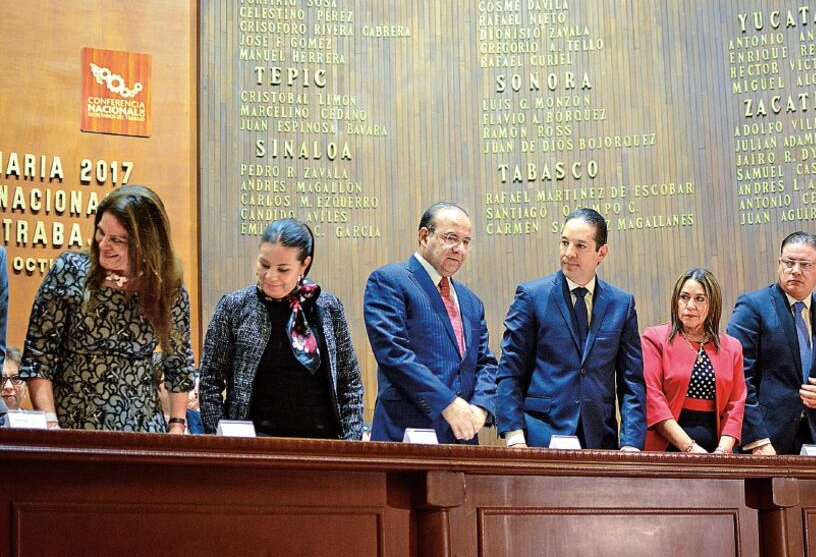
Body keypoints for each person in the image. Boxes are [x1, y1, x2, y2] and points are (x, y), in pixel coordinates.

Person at [21, 185, 195, 432]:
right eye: (101, 233)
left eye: (117, 240)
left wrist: (177, 425)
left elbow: (178, 362)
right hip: (72, 424)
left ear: (145, 244)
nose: (103, 245)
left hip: (141, 429)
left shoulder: (168, 286)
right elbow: (39, 356)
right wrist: (50, 423)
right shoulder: (69, 271)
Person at [496, 208, 646, 450]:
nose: (568, 253)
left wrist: (631, 444)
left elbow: (632, 382)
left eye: (580, 246)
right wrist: (514, 435)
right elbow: (510, 371)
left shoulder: (622, 304)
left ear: (602, 252)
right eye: (564, 242)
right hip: (539, 437)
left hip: (599, 440)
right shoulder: (532, 296)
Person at [200, 218, 364, 439]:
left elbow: (349, 384)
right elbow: (210, 381)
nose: (270, 276)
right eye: (264, 265)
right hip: (251, 446)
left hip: (321, 445)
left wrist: (350, 443)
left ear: (304, 264)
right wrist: (222, 440)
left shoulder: (328, 308)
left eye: (283, 269)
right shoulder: (234, 307)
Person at [364, 202, 497, 444]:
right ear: (424, 236)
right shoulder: (389, 281)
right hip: (406, 431)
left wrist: (481, 407)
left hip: (462, 436)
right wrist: (446, 402)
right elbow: (393, 353)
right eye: (451, 238)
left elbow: (485, 362)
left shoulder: (471, 301)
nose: (460, 249)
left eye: (466, 242)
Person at [727, 231, 816, 455]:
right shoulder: (753, 306)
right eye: (789, 262)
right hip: (764, 440)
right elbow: (738, 377)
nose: (795, 270)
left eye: (804, 264)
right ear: (779, 263)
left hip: (815, 438)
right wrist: (757, 439)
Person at [641, 268, 746, 453]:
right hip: (668, 446)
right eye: (684, 297)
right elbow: (653, 398)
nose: (690, 305)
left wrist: (722, 452)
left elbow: (736, 405)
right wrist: (690, 448)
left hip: (717, 450)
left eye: (699, 299)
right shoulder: (655, 338)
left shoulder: (732, 347)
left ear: (712, 304)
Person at [2, 347, 28, 411]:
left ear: (26, 388)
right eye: (1, 379)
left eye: (16, 378)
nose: (8, 386)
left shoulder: (36, 420)